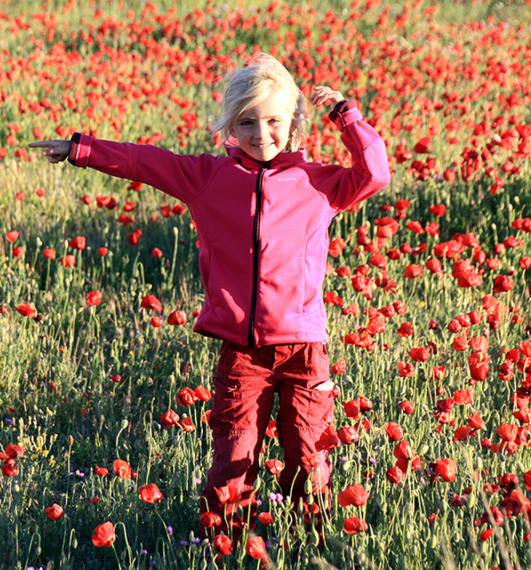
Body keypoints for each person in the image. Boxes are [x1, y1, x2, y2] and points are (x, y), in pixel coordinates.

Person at [30, 53, 390, 543]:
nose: (261, 133)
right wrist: (81, 149)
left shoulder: (319, 184)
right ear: (230, 126)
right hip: (242, 353)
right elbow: (147, 161)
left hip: (305, 350)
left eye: (273, 121)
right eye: (247, 122)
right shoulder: (209, 178)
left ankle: (312, 543)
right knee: (233, 456)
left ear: (295, 124)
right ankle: (225, 544)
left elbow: (374, 173)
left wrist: (347, 116)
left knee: (309, 454)